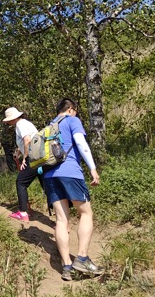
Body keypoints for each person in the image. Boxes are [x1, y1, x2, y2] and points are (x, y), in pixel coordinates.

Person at [43, 98, 104, 281]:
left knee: (61, 220)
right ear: (71, 109)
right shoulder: (72, 121)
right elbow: (81, 144)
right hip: (70, 173)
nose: (76, 114)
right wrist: (92, 168)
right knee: (86, 213)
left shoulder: (49, 126)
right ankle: (82, 258)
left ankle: (67, 267)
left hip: (49, 176)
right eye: (75, 111)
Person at [2, 107, 43, 223]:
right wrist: (19, 151)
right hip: (41, 157)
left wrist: (25, 157)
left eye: (9, 120)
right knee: (46, 186)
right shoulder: (26, 123)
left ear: (13, 119)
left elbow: (28, 140)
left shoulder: (20, 125)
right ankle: (62, 218)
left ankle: (23, 212)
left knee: (21, 182)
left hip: (33, 157)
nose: (8, 123)